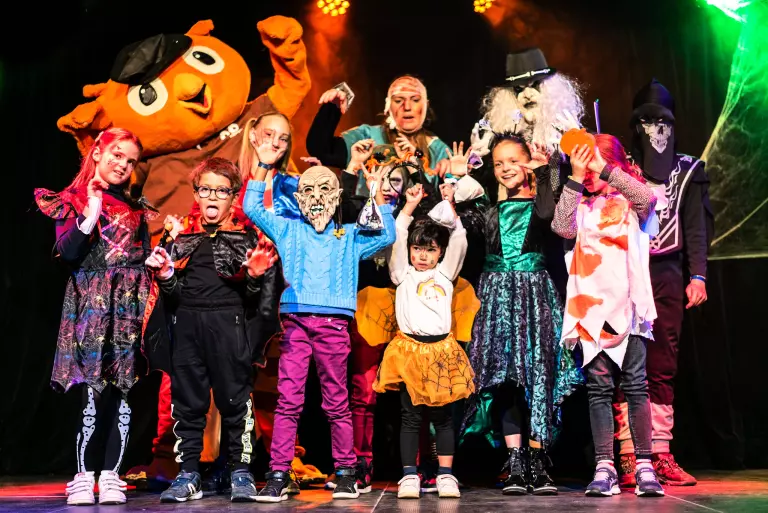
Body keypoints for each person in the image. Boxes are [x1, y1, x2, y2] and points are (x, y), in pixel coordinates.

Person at [243, 160, 396, 502]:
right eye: (309, 190)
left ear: (337, 196)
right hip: (295, 323)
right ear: (298, 198)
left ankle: (346, 473)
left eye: (325, 189)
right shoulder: (288, 230)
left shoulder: (349, 235)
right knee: (288, 400)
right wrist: (264, 165)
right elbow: (252, 208)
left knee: (336, 400)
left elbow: (387, 235)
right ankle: (279, 474)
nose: (316, 197)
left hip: (333, 325)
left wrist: (377, 194)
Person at [143, 158, 280, 503]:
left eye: (221, 190)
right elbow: (172, 296)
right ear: (196, 195)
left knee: (235, 403)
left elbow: (255, 300)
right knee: (188, 404)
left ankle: (240, 472)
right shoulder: (181, 242)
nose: (213, 197)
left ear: (233, 197)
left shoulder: (246, 240)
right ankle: (188, 473)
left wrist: (254, 277)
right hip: (188, 328)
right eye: (206, 189)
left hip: (229, 328)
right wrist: (166, 276)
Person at [461, 134, 583, 496]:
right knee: (507, 381)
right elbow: (456, 224)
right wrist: (456, 178)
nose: (505, 169)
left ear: (526, 163)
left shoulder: (541, 201)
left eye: (513, 160)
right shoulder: (488, 210)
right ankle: (514, 460)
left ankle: (537, 457)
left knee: (537, 374)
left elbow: (546, 213)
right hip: (497, 298)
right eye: (499, 163)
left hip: (534, 298)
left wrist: (543, 171)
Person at [33, 128, 149, 506]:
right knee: (91, 390)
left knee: (123, 389)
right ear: (97, 152)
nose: (123, 165)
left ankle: (112, 474)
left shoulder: (134, 208)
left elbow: (141, 257)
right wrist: (92, 212)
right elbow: (67, 253)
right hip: (91, 304)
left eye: (130, 160)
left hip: (127, 305)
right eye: (117, 154)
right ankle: (83, 476)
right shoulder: (73, 199)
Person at [552, 136, 664, 498]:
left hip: (629, 308)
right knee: (599, 389)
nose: (589, 172)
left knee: (635, 385)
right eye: (583, 163)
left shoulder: (630, 202)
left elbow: (647, 199)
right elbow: (561, 227)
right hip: (590, 312)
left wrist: (605, 169)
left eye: (594, 164)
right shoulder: (579, 206)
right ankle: (605, 466)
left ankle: (644, 465)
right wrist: (573, 177)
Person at [614, 79, 713, 487]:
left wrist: (698, 275)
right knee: (624, 359)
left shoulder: (689, 170)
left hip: (667, 274)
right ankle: (627, 452)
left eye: (663, 122)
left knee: (663, 363)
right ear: (635, 126)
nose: (656, 130)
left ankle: (659, 451)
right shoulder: (621, 169)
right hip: (623, 273)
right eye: (647, 121)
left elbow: (696, 226)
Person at [373, 183, 474, 499]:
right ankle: (409, 475)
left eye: (430, 250)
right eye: (417, 249)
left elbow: (459, 239)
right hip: (409, 353)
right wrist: (409, 206)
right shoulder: (401, 274)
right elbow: (399, 233)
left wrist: (450, 206)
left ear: (440, 253)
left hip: (441, 352)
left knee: (443, 418)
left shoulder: (445, 275)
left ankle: (445, 474)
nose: (422, 255)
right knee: (411, 417)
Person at [306, 76, 451, 197]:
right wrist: (332, 109)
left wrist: (455, 175)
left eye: (415, 99)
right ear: (388, 106)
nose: (407, 107)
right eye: (398, 100)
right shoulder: (368, 136)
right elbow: (321, 149)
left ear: (426, 105)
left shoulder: (438, 151)